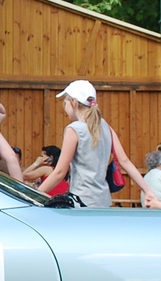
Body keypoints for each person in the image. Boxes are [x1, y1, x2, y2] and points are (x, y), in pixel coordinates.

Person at [34, 80, 152, 208]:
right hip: (104, 200)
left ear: (73, 102)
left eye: (65, 102)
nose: (64, 107)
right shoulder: (105, 126)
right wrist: (148, 191)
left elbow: (59, 172)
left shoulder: (74, 129)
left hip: (81, 200)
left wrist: (35, 195)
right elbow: (125, 161)